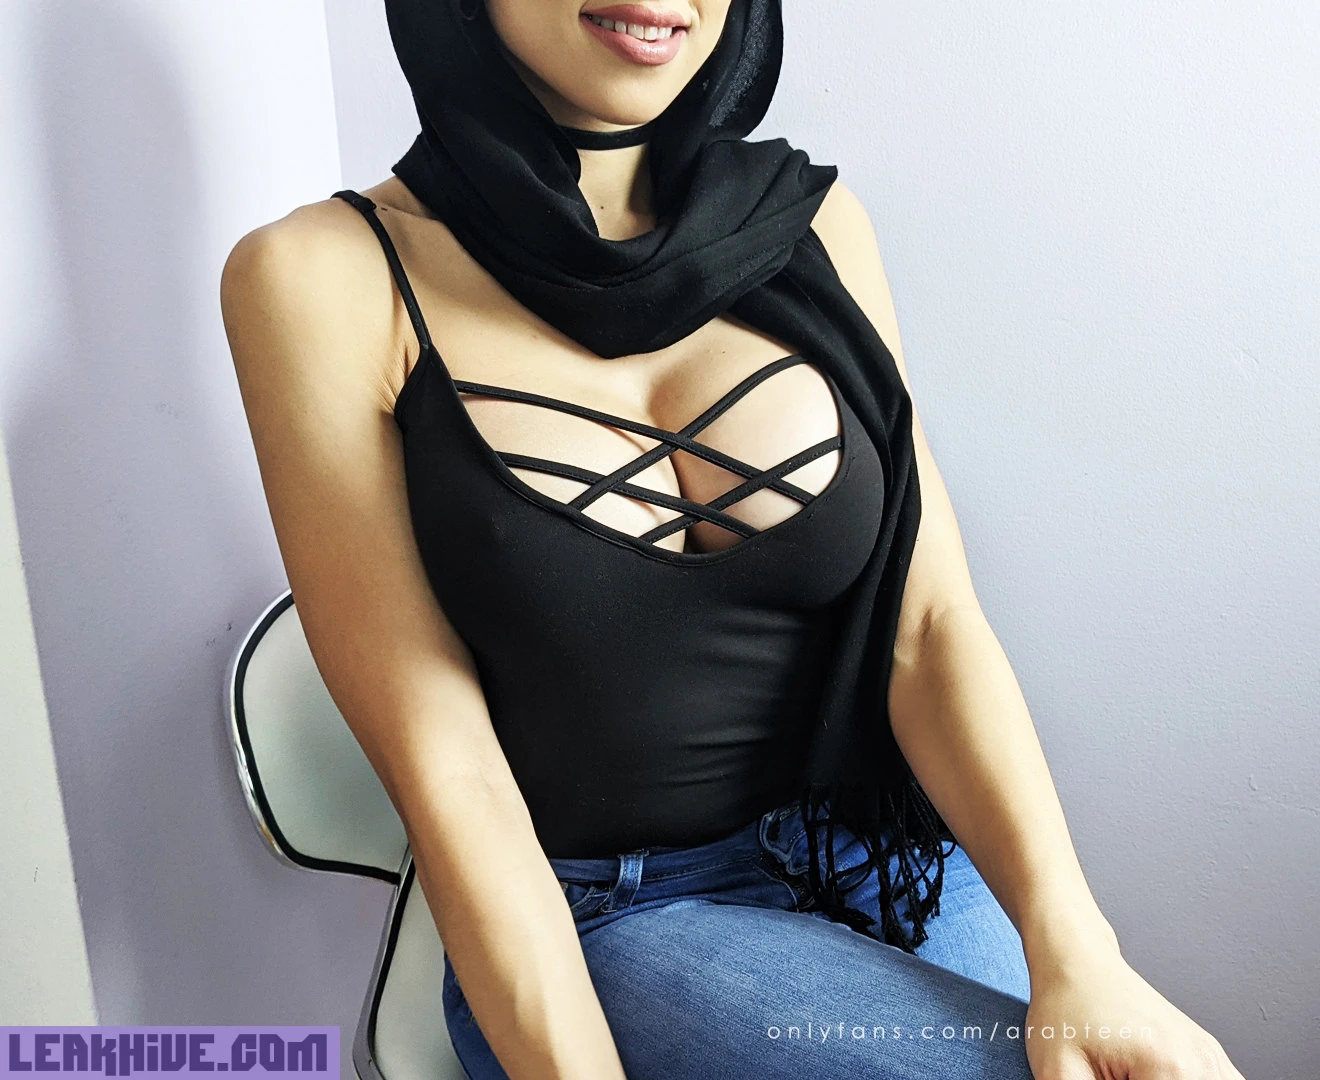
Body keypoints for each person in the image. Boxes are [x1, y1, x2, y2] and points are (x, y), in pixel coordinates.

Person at [220, 1, 1248, 1077]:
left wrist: (1080, 953)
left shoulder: (812, 223)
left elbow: (931, 628)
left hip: (875, 856)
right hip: (602, 920)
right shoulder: (323, 278)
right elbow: (448, 772)